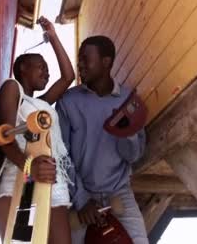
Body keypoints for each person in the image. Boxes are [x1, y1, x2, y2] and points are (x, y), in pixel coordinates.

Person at [0, 17, 75, 244]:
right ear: (22, 68)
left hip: (51, 179)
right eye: (41, 67)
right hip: (19, 178)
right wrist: (29, 166)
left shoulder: (42, 103)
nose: (47, 73)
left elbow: (68, 77)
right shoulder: (12, 88)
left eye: (47, 70)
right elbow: (4, 135)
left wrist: (53, 37)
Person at [56, 35, 148, 244]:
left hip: (120, 193)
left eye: (85, 58)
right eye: (79, 59)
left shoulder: (128, 100)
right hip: (80, 198)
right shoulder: (68, 101)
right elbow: (61, 156)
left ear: (106, 62)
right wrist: (81, 199)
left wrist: (128, 131)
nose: (79, 64)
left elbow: (133, 156)